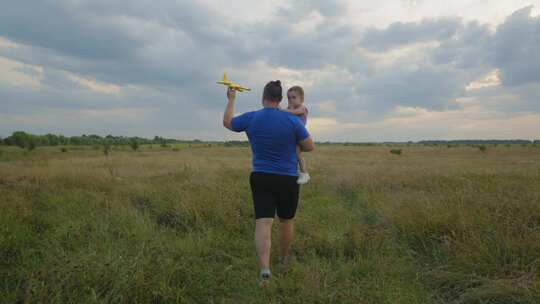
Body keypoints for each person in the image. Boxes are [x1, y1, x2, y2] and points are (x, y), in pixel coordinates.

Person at [223, 80, 315, 286]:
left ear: (263, 97)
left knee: (263, 223)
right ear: (280, 99)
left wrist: (231, 100)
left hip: (261, 176)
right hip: (287, 178)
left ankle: (265, 270)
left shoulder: (253, 117)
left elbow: (228, 123)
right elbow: (309, 146)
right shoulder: (291, 120)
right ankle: (282, 260)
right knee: (286, 221)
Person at [281, 86, 310, 184]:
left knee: (297, 153)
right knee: (292, 153)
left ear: (301, 99)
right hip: (292, 136)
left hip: (299, 135)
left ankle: (304, 173)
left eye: (294, 97)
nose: (291, 100)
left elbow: (295, 112)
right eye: (289, 98)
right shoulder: (289, 109)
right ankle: (294, 170)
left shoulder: (302, 108)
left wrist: (284, 110)